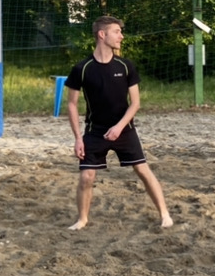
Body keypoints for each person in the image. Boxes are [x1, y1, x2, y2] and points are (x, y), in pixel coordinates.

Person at [65, 16, 173, 230]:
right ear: (102, 35)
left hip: (124, 130)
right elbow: (72, 104)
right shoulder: (82, 68)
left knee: (143, 170)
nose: (121, 36)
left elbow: (135, 103)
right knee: (86, 176)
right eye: (117, 31)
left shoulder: (125, 66)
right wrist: (78, 138)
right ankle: (82, 219)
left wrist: (119, 127)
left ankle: (165, 214)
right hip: (95, 132)